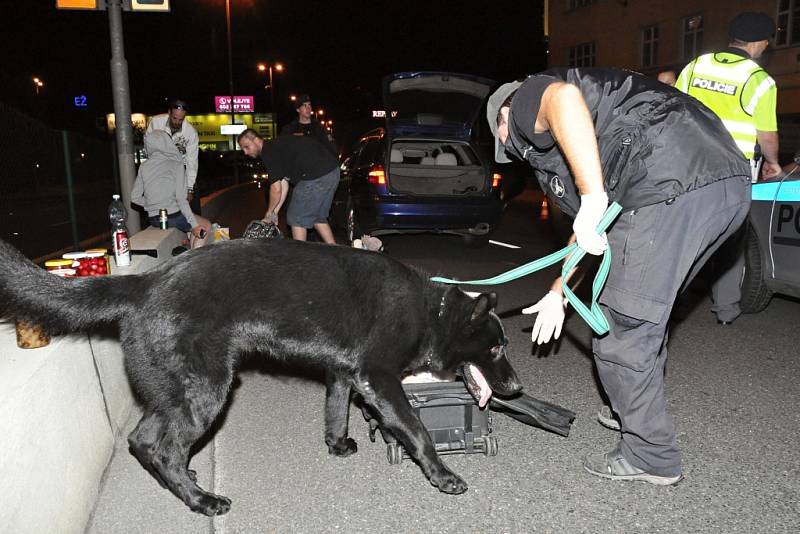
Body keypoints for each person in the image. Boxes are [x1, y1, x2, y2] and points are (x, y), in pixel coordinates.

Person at [487, 68, 751, 485]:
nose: (511, 150)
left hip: (667, 180)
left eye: (504, 140)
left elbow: (562, 98)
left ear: (504, 116)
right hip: (724, 182)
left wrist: (591, 195)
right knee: (644, 312)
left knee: (621, 328)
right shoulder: (574, 146)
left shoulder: (524, 100)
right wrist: (558, 291)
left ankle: (650, 456)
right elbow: (590, 236)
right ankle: (628, 407)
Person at [676, 11, 780, 326]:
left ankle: (668, 303)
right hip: (732, 170)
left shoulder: (696, 66)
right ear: (761, 42)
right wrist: (773, 163)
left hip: (687, 164)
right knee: (730, 239)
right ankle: (725, 309)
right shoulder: (759, 80)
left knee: (683, 235)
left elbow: (672, 108)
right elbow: (767, 135)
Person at [238, 129, 339, 244]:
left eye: (246, 147)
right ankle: (334, 249)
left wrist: (269, 213)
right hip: (332, 171)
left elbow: (276, 189)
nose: (245, 152)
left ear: (256, 140)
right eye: (243, 149)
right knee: (317, 217)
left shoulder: (268, 151)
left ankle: (299, 258)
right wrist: (275, 212)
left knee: (295, 217)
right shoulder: (277, 148)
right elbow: (283, 185)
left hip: (316, 175)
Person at [131, 130, 211, 249]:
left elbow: (134, 198)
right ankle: (194, 260)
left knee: (192, 228)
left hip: (154, 219)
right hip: (173, 217)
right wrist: (194, 225)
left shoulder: (144, 166)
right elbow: (181, 199)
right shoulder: (176, 164)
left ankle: (190, 250)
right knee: (205, 225)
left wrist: (151, 204)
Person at [146, 98, 200, 212]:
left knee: (192, 206)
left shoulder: (190, 133)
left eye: (181, 120)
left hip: (182, 167)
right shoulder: (156, 123)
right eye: (174, 118)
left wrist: (190, 189)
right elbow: (148, 146)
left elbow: (192, 162)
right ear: (169, 112)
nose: (177, 122)